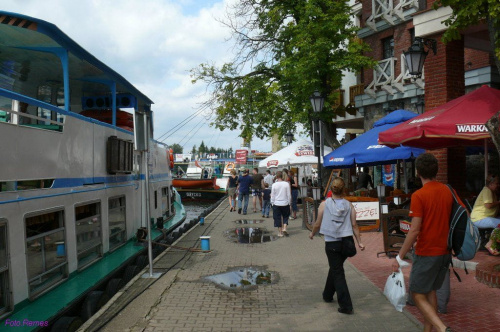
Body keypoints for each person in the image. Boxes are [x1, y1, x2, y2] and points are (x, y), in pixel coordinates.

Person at [392, 153, 461, 332]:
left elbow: (414, 230)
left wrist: (399, 257)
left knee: (416, 294)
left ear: (418, 172)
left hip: (427, 251)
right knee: (430, 291)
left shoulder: (419, 195)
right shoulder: (448, 190)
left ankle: (443, 328)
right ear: (436, 171)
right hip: (445, 251)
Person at [309, 177, 365, 314]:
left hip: (331, 243)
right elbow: (354, 225)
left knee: (337, 271)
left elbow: (317, 223)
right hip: (346, 243)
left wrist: (312, 234)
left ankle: (346, 305)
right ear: (343, 189)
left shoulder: (324, 204)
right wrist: (359, 242)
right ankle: (327, 295)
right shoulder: (349, 205)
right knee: (336, 268)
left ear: (331, 189)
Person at [470, 174, 500, 255]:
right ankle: (490, 244)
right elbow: (488, 205)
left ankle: (494, 244)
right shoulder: (487, 190)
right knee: (499, 224)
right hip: (479, 218)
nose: (498, 185)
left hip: (484, 218)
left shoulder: (492, 192)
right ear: (491, 184)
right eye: (497, 183)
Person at [271, 171, 291, 237]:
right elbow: (289, 195)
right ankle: (284, 228)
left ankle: (280, 233)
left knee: (277, 218)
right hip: (285, 203)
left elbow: (272, 195)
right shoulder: (286, 184)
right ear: (282, 176)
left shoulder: (274, 185)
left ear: (276, 177)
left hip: (276, 203)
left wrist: (272, 202)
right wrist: (289, 202)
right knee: (285, 216)